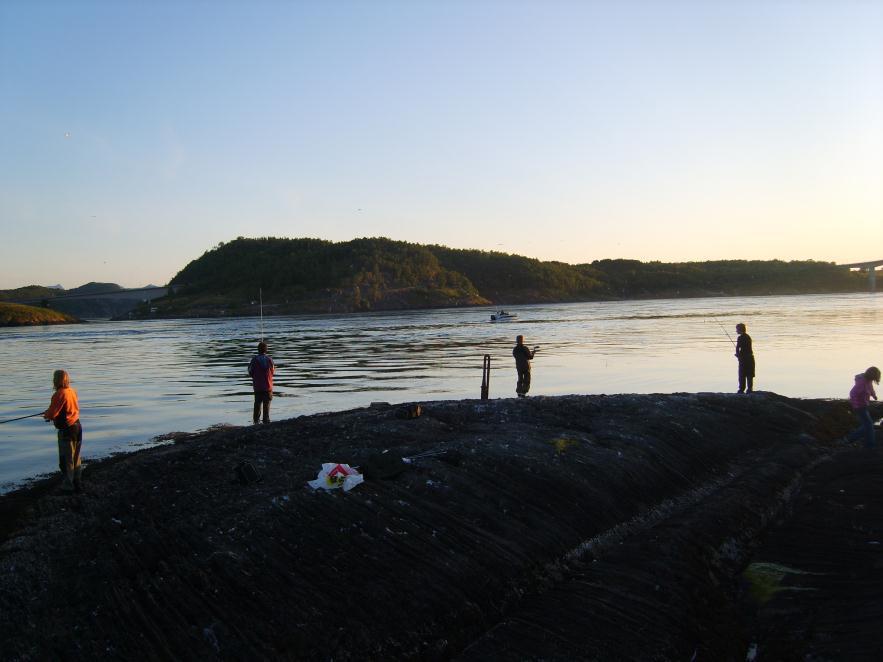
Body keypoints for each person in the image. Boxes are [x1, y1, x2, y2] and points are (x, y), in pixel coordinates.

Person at [42, 369, 83, 492]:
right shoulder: (72, 391)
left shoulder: (59, 394)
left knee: (66, 459)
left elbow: (52, 413)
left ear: (56, 380)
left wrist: (47, 415)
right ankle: (77, 482)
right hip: (78, 427)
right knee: (76, 458)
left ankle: (68, 486)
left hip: (67, 430)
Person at [845, 366, 880, 448]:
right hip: (859, 406)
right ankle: (867, 443)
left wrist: (874, 395)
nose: (874, 380)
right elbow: (852, 393)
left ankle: (863, 442)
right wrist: (856, 405)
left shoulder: (868, 380)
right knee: (869, 425)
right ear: (871, 375)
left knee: (867, 425)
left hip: (864, 405)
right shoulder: (862, 382)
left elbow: (870, 388)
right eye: (874, 377)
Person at [248, 341, 275, 424]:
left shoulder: (254, 360)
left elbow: (250, 372)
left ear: (258, 350)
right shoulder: (270, 360)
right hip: (268, 387)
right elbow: (273, 371)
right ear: (266, 350)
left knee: (257, 406)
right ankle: (266, 422)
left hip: (258, 387)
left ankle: (256, 423)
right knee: (266, 407)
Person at [735, 323, 755, 393]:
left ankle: (741, 389)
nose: (736, 331)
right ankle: (750, 389)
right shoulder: (748, 337)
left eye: (737, 329)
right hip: (750, 358)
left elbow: (738, 348)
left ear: (740, 330)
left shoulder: (740, 338)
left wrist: (737, 355)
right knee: (749, 374)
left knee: (742, 374)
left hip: (743, 359)